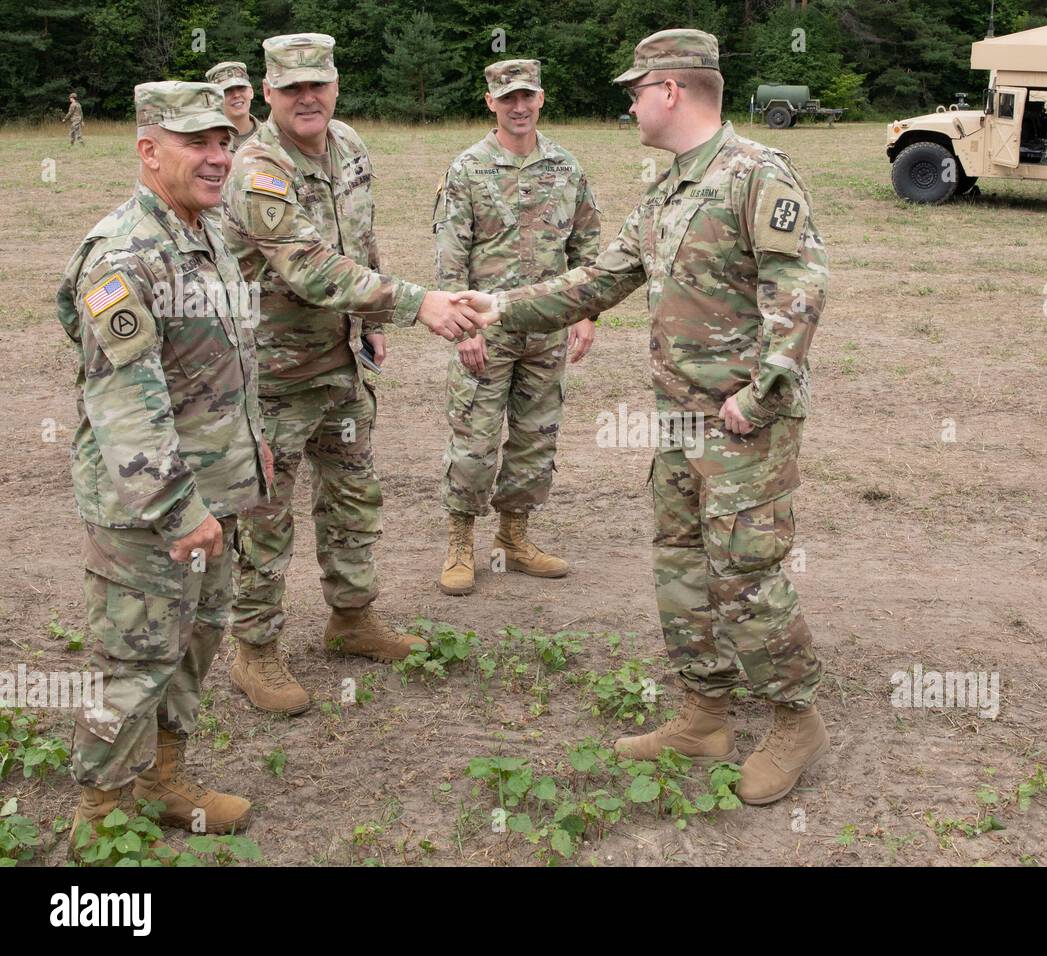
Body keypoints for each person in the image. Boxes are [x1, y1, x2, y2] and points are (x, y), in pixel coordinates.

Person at [472, 29, 830, 805]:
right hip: (678, 420)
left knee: (746, 574)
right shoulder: (669, 188)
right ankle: (705, 711)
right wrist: (497, 307)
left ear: (670, 90)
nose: (630, 101)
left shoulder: (755, 173)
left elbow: (799, 286)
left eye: (637, 89)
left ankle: (795, 719)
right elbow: (598, 279)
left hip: (742, 426)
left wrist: (760, 393)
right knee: (680, 564)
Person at [221, 33, 490, 716]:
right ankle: (253, 648)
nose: (307, 98)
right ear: (269, 93)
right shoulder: (257, 168)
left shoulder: (349, 146)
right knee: (265, 518)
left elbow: (360, 240)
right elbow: (308, 266)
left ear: (335, 84)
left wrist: (368, 326)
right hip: (272, 376)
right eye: (291, 89)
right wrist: (414, 302)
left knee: (351, 500)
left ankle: (351, 617)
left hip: (340, 366)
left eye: (319, 85)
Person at [57, 81, 270, 843]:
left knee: (196, 639)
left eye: (224, 141)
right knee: (134, 660)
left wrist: (252, 442)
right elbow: (125, 408)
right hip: (151, 511)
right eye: (197, 144)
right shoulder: (125, 254)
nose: (218, 158)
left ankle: (163, 778)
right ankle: (101, 820)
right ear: (149, 151)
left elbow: (217, 362)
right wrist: (179, 511)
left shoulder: (203, 231)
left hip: (210, 499)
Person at [433, 58, 601, 596]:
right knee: (475, 441)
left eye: (527, 96)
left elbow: (587, 248)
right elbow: (450, 257)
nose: (519, 107)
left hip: (546, 332)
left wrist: (586, 313)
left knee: (535, 441)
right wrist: (466, 330)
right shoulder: (467, 170)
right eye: (508, 98)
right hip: (487, 330)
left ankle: (513, 538)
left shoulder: (567, 167)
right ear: (491, 102)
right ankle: (461, 541)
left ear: (541, 99)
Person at [205, 61, 261, 153]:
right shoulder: (208, 144)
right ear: (215, 99)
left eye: (241, 88)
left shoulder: (273, 136)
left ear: (251, 92)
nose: (236, 95)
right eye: (227, 91)